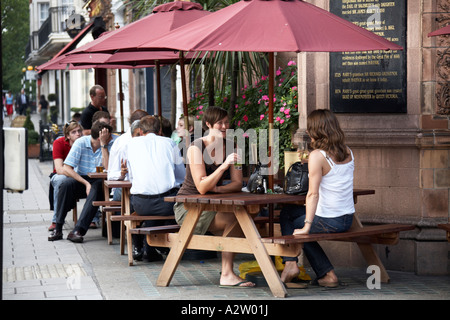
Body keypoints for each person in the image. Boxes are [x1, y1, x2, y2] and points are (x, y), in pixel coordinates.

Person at [173, 106, 254, 288]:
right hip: (189, 208)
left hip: (213, 204)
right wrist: (224, 165)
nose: (225, 126)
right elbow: (201, 187)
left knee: (247, 216)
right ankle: (226, 273)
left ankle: (228, 272)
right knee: (237, 219)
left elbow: (237, 183)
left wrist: (216, 190)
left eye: (227, 122)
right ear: (208, 124)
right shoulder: (196, 148)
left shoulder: (233, 146)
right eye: (220, 123)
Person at [279, 109, 355, 288]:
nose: (307, 132)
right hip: (347, 217)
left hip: (330, 219)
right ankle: (293, 264)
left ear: (316, 130)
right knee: (288, 213)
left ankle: (295, 266)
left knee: (297, 227)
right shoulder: (348, 152)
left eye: (310, 128)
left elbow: (313, 194)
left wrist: (306, 226)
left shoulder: (317, 156)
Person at [125, 115, 186, 261]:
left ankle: (146, 248)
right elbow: (181, 175)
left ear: (140, 131)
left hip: (141, 205)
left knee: (151, 201)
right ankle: (153, 247)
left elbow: (131, 176)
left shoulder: (131, 144)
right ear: (159, 130)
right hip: (167, 205)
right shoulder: (170, 143)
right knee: (170, 197)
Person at [48, 120, 115, 243]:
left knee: (96, 189)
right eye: (109, 136)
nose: (111, 137)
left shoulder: (111, 142)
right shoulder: (81, 143)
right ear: (100, 137)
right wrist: (86, 183)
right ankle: (58, 228)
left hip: (102, 180)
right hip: (82, 178)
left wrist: (104, 146)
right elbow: (67, 168)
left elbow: (109, 168)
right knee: (65, 185)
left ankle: (78, 230)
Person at [48, 121, 83, 231]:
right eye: (74, 132)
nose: (78, 134)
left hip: (79, 175)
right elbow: (59, 169)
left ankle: (93, 218)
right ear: (67, 136)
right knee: (61, 181)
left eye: (79, 131)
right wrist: (73, 175)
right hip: (60, 175)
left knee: (95, 182)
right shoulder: (59, 143)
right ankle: (56, 220)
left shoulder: (84, 143)